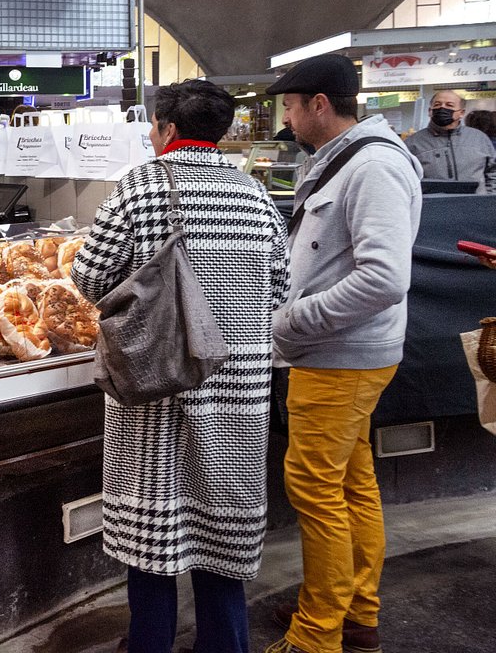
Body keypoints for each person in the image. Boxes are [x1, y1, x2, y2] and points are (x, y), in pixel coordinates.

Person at [70, 79, 290, 653]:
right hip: (235, 393)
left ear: (166, 128)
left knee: (153, 541)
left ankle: (149, 645)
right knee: (221, 536)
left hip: (153, 385)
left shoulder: (139, 188)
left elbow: (89, 276)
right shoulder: (254, 195)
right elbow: (280, 287)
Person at [263, 54, 422, 653]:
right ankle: (354, 613)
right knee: (351, 487)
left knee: (315, 490)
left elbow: (383, 278)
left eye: (290, 106)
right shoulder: (347, 162)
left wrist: (290, 320)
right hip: (336, 354)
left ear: (319, 106)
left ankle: (316, 636)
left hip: (339, 355)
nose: (287, 118)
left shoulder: (373, 167)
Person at [403, 89, 496, 193]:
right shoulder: (413, 143)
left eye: (449, 105)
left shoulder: (479, 138)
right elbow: (406, 178)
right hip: (433, 206)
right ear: (430, 111)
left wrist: (490, 199)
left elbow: (492, 171)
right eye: (437, 104)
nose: (442, 108)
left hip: (477, 205)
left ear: (461, 113)